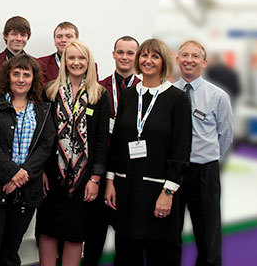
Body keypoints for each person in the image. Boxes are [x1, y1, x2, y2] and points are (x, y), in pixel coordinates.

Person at [105, 38, 192, 266]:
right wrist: (111, 181)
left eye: (155, 56)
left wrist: (169, 192)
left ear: (163, 62)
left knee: (161, 255)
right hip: (127, 187)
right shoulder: (128, 95)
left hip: (158, 190)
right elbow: (117, 143)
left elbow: (181, 149)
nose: (148, 61)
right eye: (144, 55)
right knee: (126, 253)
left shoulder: (177, 99)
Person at [0, 54, 54, 266]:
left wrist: (20, 176)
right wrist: (12, 173)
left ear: (34, 79)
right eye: (16, 74)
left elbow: (46, 145)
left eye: (27, 74)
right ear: (8, 76)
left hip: (25, 191)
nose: (21, 79)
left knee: (10, 254)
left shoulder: (43, 110)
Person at [37, 40, 109, 266]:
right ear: (64, 62)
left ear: (89, 62)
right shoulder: (50, 91)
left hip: (83, 178)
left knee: (75, 233)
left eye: (81, 58)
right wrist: (40, 172)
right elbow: (42, 137)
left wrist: (96, 178)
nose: (76, 62)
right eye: (71, 58)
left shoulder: (99, 94)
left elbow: (100, 140)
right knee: (47, 231)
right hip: (52, 175)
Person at [174, 41, 234, 266]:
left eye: (195, 56)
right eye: (185, 55)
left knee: (208, 233)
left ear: (204, 62)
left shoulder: (217, 96)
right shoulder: (168, 93)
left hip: (203, 171)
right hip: (174, 172)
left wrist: (209, 159)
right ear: (177, 59)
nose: (189, 59)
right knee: (169, 232)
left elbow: (226, 134)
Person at [84, 35, 140, 265]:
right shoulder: (99, 88)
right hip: (101, 164)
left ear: (136, 57)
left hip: (130, 167)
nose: (125, 57)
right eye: (121, 52)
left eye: (130, 53)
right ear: (113, 54)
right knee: (95, 229)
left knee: (125, 231)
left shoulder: (145, 90)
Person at [0, 16, 31, 93]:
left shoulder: (35, 64)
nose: (19, 38)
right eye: (14, 34)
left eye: (23, 35)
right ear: (5, 35)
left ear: (28, 37)